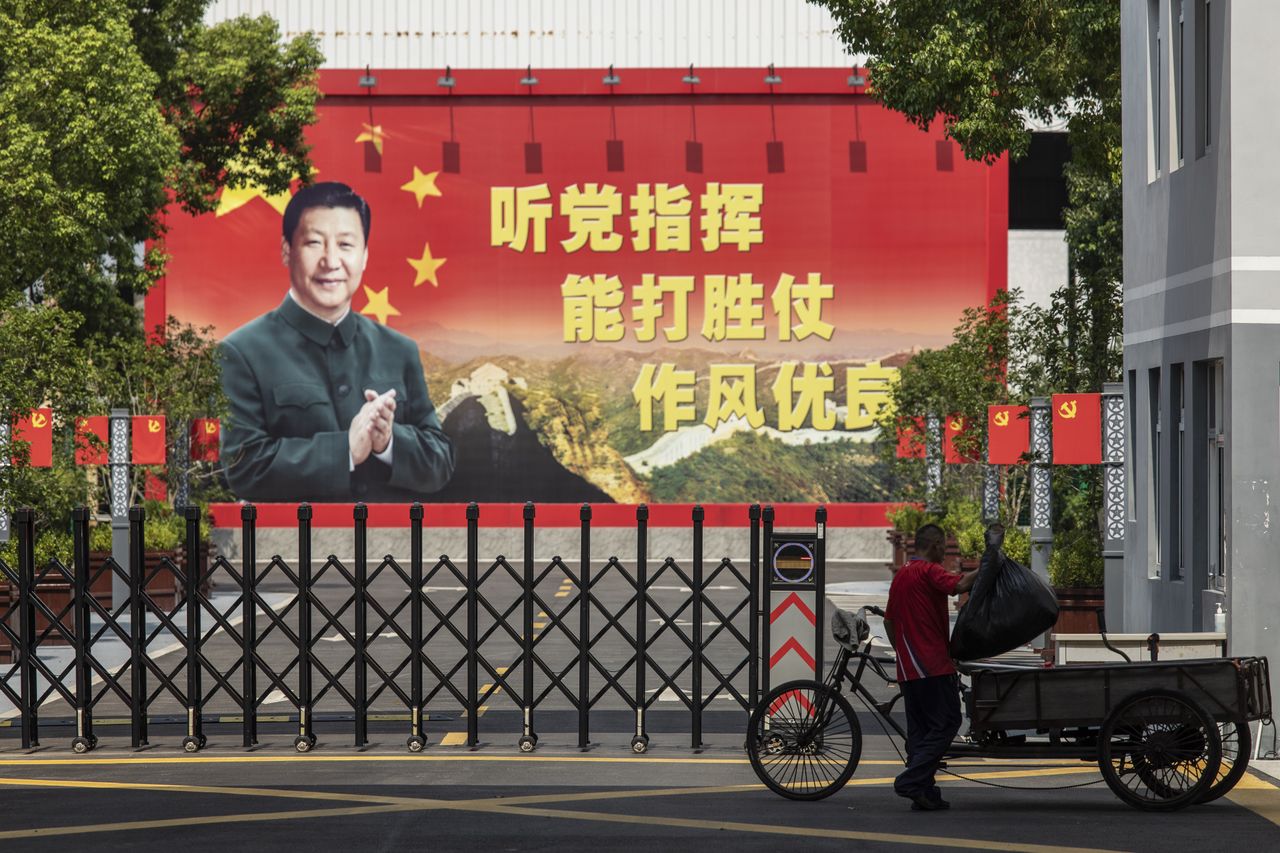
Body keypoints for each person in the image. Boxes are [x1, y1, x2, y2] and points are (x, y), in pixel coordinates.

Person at [220, 181, 455, 501]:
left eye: (346, 245)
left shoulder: (399, 350)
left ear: (365, 256)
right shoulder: (243, 352)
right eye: (314, 243)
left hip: (388, 548)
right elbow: (243, 467)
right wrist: (345, 449)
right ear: (287, 251)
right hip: (293, 548)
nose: (331, 261)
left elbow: (439, 461)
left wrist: (388, 441)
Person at [882, 523, 977, 811]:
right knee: (947, 723)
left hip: (909, 669)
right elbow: (958, 585)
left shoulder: (902, 575)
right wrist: (988, 567)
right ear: (935, 545)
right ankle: (911, 781)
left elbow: (889, 621)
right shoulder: (929, 571)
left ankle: (924, 792)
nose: (944, 554)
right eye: (944, 547)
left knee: (920, 732)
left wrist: (902, 652)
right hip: (933, 666)